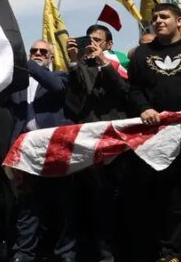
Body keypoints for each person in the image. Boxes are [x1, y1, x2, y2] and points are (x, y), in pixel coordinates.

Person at [128, 2, 181, 262]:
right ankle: (172, 252)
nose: (158, 21)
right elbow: (134, 89)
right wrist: (144, 108)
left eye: (164, 16)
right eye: (154, 17)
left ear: (178, 20)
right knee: (169, 197)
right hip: (161, 137)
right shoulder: (142, 54)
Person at [64, 24, 129, 261]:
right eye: (88, 39)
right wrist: (73, 61)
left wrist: (103, 62)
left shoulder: (118, 65)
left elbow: (124, 92)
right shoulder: (81, 67)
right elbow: (74, 101)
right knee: (97, 204)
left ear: (109, 44)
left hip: (119, 143)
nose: (91, 44)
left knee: (124, 199)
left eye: (97, 40)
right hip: (92, 145)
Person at [10, 40, 75, 262]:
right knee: (28, 207)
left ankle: (65, 255)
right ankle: (24, 254)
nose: (37, 54)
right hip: (27, 151)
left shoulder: (60, 76)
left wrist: (28, 63)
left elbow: (57, 88)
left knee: (63, 205)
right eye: (33, 51)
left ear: (51, 57)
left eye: (43, 52)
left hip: (55, 149)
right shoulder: (19, 83)